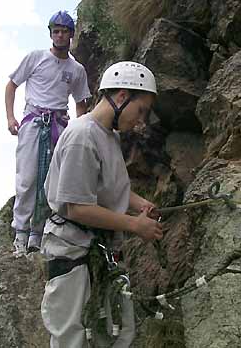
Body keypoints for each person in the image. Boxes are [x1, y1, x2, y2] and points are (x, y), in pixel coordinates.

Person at [40, 61, 163, 347]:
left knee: (115, 332)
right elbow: (76, 207)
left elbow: (109, 188)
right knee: (72, 337)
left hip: (96, 248)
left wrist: (141, 205)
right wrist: (135, 225)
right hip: (73, 252)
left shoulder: (108, 135)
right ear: (122, 97)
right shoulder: (82, 137)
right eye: (141, 110)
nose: (141, 120)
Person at [5, 10, 91, 256]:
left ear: (71, 35)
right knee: (27, 178)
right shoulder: (36, 58)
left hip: (59, 126)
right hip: (33, 122)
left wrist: (78, 128)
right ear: (51, 34)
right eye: (56, 31)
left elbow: (81, 101)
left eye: (64, 31)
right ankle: (20, 234)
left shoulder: (76, 69)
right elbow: (11, 85)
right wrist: (11, 118)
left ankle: (38, 234)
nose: (60, 35)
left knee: (51, 182)